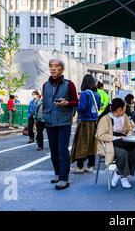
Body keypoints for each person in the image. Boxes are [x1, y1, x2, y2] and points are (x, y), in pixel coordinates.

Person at [42, 58, 78, 190]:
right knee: (53, 150)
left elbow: (76, 101)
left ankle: (64, 178)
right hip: (50, 121)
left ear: (62, 69)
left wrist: (67, 103)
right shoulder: (45, 85)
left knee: (62, 150)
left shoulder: (69, 84)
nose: (53, 68)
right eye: (51, 66)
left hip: (64, 121)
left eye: (56, 66)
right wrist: (44, 115)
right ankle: (57, 173)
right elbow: (45, 102)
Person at [96, 98, 135, 189]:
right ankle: (123, 176)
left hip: (122, 141)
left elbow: (129, 128)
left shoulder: (124, 116)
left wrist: (129, 135)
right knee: (123, 153)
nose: (125, 110)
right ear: (119, 109)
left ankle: (119, 172)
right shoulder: (105, 119)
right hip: (108, 144)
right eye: (124, 108)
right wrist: (116, 138)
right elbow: (100, 135)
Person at [70, 74, 101, 174]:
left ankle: (80, 166)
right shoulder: (97, 94)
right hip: (95, 122)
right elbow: (99, 107)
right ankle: (90, 166)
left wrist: (76, 105)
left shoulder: (84, 94)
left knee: (82, 143)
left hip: (85, 122)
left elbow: (81, 107)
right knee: (92, 144)